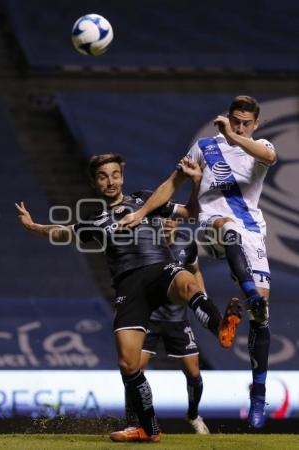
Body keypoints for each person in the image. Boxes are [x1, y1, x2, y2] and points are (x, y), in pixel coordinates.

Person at [15, 153, 241, 443]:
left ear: (121, 176)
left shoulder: (144, 200)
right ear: (95, 182)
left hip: (159, 268)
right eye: (102, 176)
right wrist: (33, 226)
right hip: (129, 287)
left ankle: (220, 326)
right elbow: (61, 233)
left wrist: (194, 182)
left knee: (186, 284)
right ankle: (148, 428)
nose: (110, 181)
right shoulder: (94, 221)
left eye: (114, 174)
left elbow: (192, 213)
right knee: (128, 364)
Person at [120, 96, 277, 429]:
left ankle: (259, 393)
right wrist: (142, 212)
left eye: (246, 122)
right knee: (226, 228)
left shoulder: (259, 145)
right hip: (213, 222)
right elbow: (169, 185)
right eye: (236, 119)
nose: (240, 125)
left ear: (255, 124)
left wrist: (235, 138)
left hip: (253, 233)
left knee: (261, 319)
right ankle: (248, 292)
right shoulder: (205, 146)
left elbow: (269, 156)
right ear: (229, 116)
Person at [119, 219, 211, 437]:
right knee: (133, 368)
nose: (168, 223)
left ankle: (193, 415)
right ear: (155, 223)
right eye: (163, 219)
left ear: (178, 222)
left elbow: (195, 270)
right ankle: (133, 422)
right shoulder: (145, 246)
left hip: (177, 318)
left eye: (173, 219)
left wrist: (202, 297)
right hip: (148, 316)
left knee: (194, 373)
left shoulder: (187, 245)